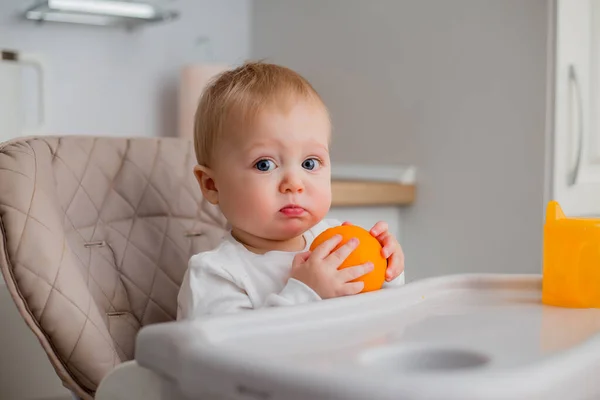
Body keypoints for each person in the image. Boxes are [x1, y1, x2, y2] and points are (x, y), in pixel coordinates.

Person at [177, 62, 405, 320]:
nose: (294, 183)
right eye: (264, 165)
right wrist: (305, 294)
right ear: (211, 185)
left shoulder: (334, 244)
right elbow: (230, 355)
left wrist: (387, 273)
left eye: (310, 163)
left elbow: (377, 316)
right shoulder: (216, 274)